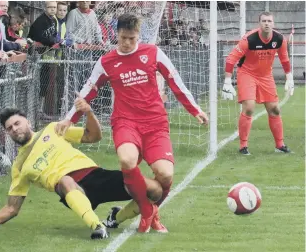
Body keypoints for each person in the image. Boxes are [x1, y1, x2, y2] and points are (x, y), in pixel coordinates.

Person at [55, 14, 209, 233]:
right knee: (127, 160)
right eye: (123, 37)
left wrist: (195, 110)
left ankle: (147, 214)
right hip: (126, 122)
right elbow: (88, 93)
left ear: (139, 36)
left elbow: (176, 81)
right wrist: (69, 119)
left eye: (132, 38)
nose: (127, 43)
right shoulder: (106, 61)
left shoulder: (153, 53)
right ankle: (147, 212)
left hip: (155, 123)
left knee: (165, 175)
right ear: (116, 34)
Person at [0, 97, 163, 239]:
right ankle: (96, 227)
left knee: (154, 190)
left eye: (17, 123)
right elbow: (11, 209)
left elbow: (93, 136)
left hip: (95, 174)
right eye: (9, 128)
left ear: (26, 121)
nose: (14, 129)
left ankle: (114, 218)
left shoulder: (53, 129)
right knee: (63, 179)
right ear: (7, 134)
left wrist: (89, 112)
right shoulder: (19, 166)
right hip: (72, 189)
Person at [222, 12, 294, 155]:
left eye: (269, 21)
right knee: (249, 107)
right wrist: (227, 81)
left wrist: (289, 78)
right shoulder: (249, 39)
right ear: (259, 23)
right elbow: (231, 59)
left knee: (274, 109)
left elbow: (284, 59)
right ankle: (243, 147)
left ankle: (280, 145)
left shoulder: (279, 39)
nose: (267, 23)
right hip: (247, 74)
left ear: (273, 24)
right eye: (264, 21)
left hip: (266, 75)